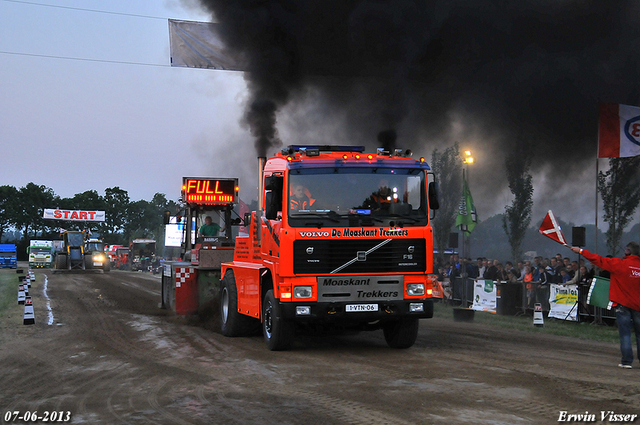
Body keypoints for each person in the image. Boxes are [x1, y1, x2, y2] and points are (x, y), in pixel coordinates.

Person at [571, 242, 640, 369]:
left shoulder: (619, 263)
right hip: (638, 305)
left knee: (625, 334)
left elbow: (598, 259)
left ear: (628, 251)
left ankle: (627, 361)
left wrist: (581, 251)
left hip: (622, 304)